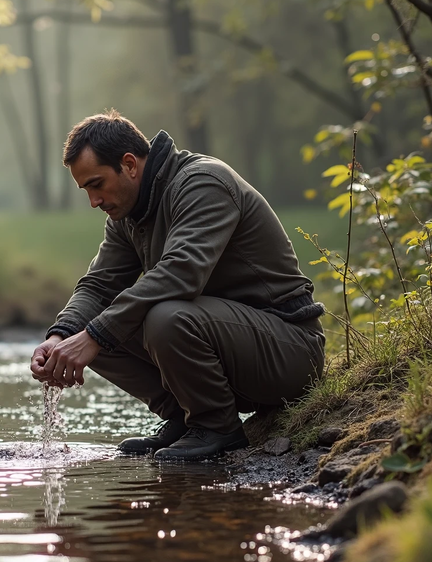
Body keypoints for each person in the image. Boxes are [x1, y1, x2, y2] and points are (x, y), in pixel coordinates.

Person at [30, 110, 325, 461]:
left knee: (159, 317)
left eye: (97, 184)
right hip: (227, 347)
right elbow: (97, 287)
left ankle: (215, 425)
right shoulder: (128, 213)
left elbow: (182, 273)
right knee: (93, 325)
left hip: (289, 352)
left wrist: (94, 335)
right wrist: (60, 336)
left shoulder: (203, 183)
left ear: (129, 164)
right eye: (86, 190)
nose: (94, 201)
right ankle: (185, 419)